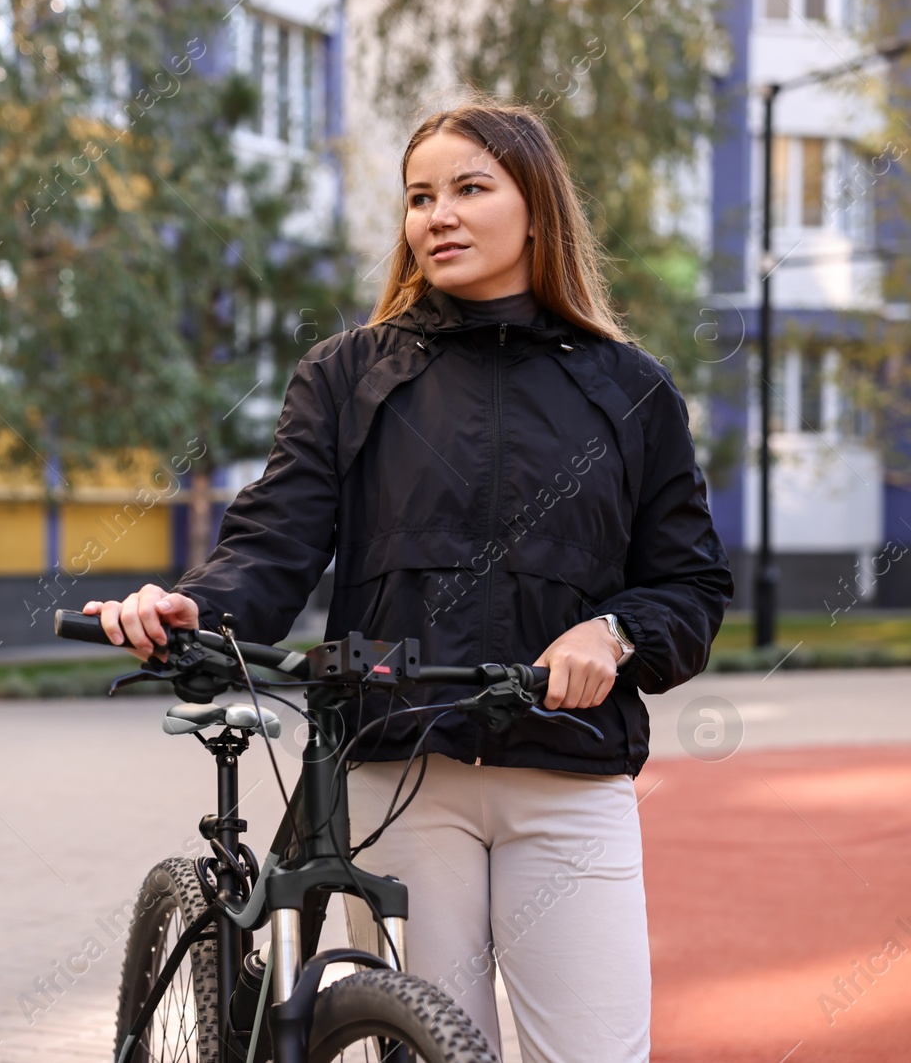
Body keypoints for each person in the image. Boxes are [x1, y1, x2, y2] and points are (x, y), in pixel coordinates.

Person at [82, 100, 733, 1063]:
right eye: (420, 196)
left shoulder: (629, 387)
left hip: (569, 776)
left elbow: (689, 582)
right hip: (398, 772)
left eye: (471, 188)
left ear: (536, 209)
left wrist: (615, 633)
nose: (439, 215)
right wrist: (197, 607)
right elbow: (275, 538)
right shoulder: (349, 375)